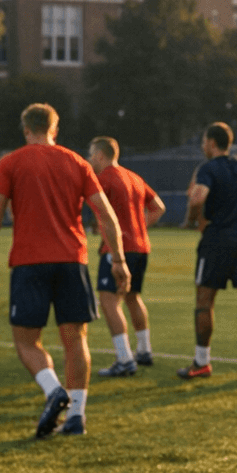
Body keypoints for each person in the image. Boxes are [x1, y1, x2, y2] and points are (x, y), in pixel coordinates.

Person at [0, 103, 130, 438]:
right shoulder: (77, 162)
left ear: (25, 128)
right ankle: (76, 416)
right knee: (76, 339)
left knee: (27, 342)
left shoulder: (11, 162)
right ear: (54, 128)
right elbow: (105, 215)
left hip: (29, 262)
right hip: (72, 261)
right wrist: (118, 259)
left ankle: (53, 391)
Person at [177, 122, 237, 381]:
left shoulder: (208, 168)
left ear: (211, 143)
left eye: (204, 141)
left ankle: (202, 362)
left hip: (217, 238)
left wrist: (191, 219)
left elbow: (197, 198)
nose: (202, 146)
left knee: (204, 300)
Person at [87, 136, 167, 377]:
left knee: (109, 300)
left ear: (100, 155)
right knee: (133, 297)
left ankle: (124, 359)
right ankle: (144, 350)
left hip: (118, 249)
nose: (90, 160)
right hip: (141, 247)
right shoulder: (134, 177)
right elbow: (159, 207)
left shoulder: (103, 178)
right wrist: (138, 227)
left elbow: (99, 210)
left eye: (92, 155)